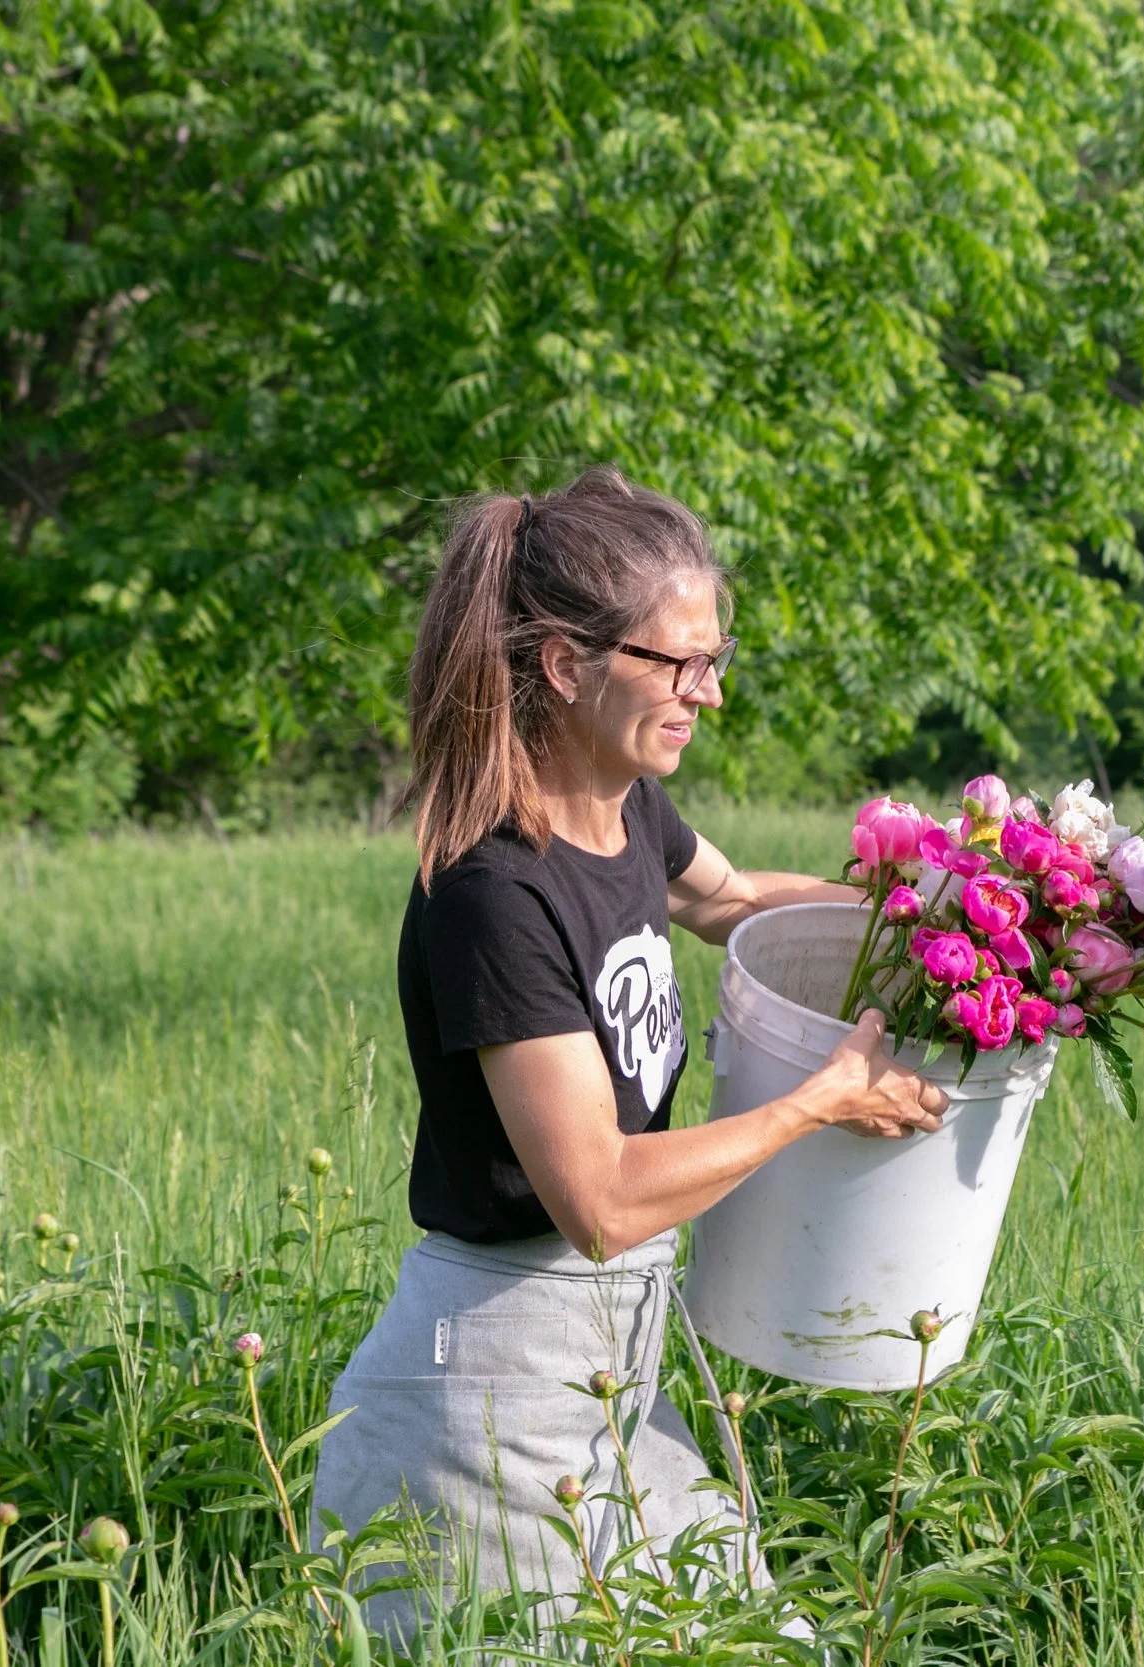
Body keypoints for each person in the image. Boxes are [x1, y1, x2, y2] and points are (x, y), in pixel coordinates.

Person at [310, 467, 943, 1635]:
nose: (706, 692)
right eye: (677, 663)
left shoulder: (626, 809)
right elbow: (596, 1196)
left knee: (766, 1643)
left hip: (608, 1368)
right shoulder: (493, 891)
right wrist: (823, 1097)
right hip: (485, 1391)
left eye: (717, 657)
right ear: (565, 664)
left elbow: (740, 901)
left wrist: (943, 922)